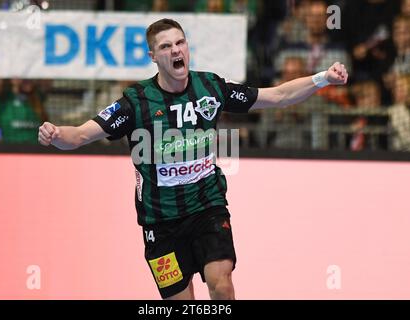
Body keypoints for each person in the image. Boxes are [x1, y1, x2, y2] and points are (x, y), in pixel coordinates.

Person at [38, 18, 348, 300]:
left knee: (222, 283)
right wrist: (55, 134)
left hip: (207, 207)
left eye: (180, 42)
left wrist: (323, 78)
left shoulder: (210, 87)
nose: (176, 50)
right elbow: (79, 135)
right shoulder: (137, 102)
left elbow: (277, 96)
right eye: (166, 46)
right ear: (153, 57)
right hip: (160, 222)